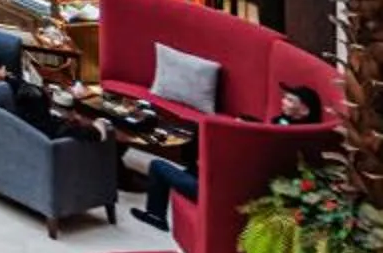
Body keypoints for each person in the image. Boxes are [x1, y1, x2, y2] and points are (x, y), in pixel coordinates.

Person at [136, 83, 321, 229]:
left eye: (290, 100)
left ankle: (156, 215)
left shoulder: (290, 140)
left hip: (221, 189)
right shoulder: (286, 127)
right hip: (225, 177)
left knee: (157, 166)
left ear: (304, 110)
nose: (283, 102)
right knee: (196, 161)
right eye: (285, 98)